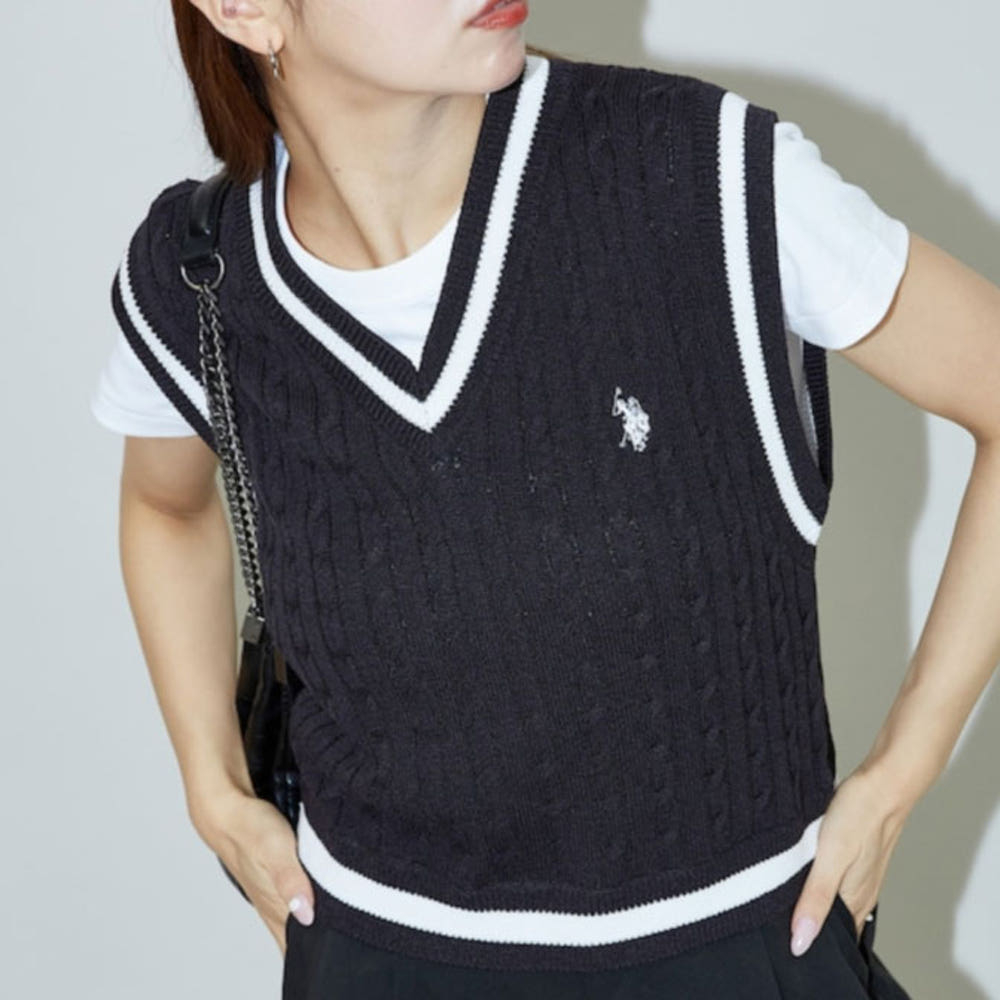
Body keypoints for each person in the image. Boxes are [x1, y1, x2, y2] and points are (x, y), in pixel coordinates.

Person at [91, 1, 1000, 997]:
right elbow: (167, 508)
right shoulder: (199, 276)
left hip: (730, 954)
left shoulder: (696, 172)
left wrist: (897, 778)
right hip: (382, 959)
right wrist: (213, 784)